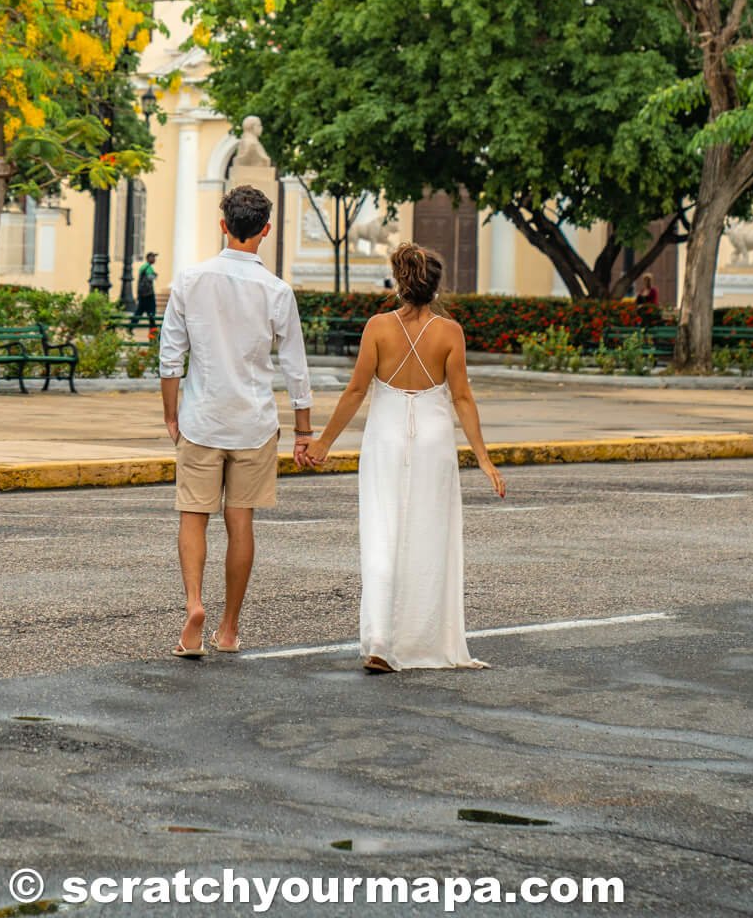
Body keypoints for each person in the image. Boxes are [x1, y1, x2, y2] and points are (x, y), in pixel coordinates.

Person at [304, 241, 505, 672]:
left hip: (386, 438)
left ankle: (381, 642)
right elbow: (463, 398)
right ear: (435, 287)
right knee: (430, 537)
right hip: (433, 439)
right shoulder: (450, 332)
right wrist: (484, 459)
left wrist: (322, 443)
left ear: (400, 282)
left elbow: (356, 391)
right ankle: (422, 640)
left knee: (383, 535)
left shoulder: (378, 327)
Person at [158, 185, 314, 659]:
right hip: (254, 424)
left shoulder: (190, 279)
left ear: (222, 225)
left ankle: (193, 606)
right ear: (265, 231)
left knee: (193, 515)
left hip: (202, 419)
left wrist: (171, 414)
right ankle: (228, 628)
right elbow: (295, 367)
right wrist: (304, 431)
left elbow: (170, 357)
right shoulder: (277, 291)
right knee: (240, 522)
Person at [136, 251, 158, 319]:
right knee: (152, 310)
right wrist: (155, 275)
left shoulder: (144, 266)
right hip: (148, 293)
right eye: (153, 257)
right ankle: (153, 328)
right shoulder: (148, 267)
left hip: (142, 292)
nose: (154, 259)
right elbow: (150, 277)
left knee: (140, 310)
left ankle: (131, 326)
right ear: (148, 258)